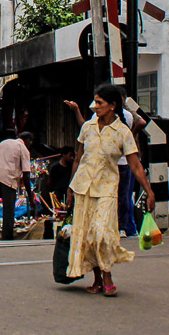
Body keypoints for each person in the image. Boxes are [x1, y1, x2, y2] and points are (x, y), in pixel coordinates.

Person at [66, 85, 155, 295]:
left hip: (106, 188)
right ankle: (98, 279)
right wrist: (70, 189)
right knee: (87, 235)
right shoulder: (87, 127)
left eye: (99, 103)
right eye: (94, 102)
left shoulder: (123, 132)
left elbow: (135, 165)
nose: (95, 107)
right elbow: (78, 158)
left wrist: (149, 191)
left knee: (101, 233)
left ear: (113, 106)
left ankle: (107, 276)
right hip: (83, 188)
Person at [0, 132, 34, 241]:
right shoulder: (24, 149)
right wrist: (30, 196)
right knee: (8, 210)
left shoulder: (4, 142)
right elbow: (26, 174)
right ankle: (7, 238)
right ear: (28, 141)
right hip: (8, 180)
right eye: (30, 142)